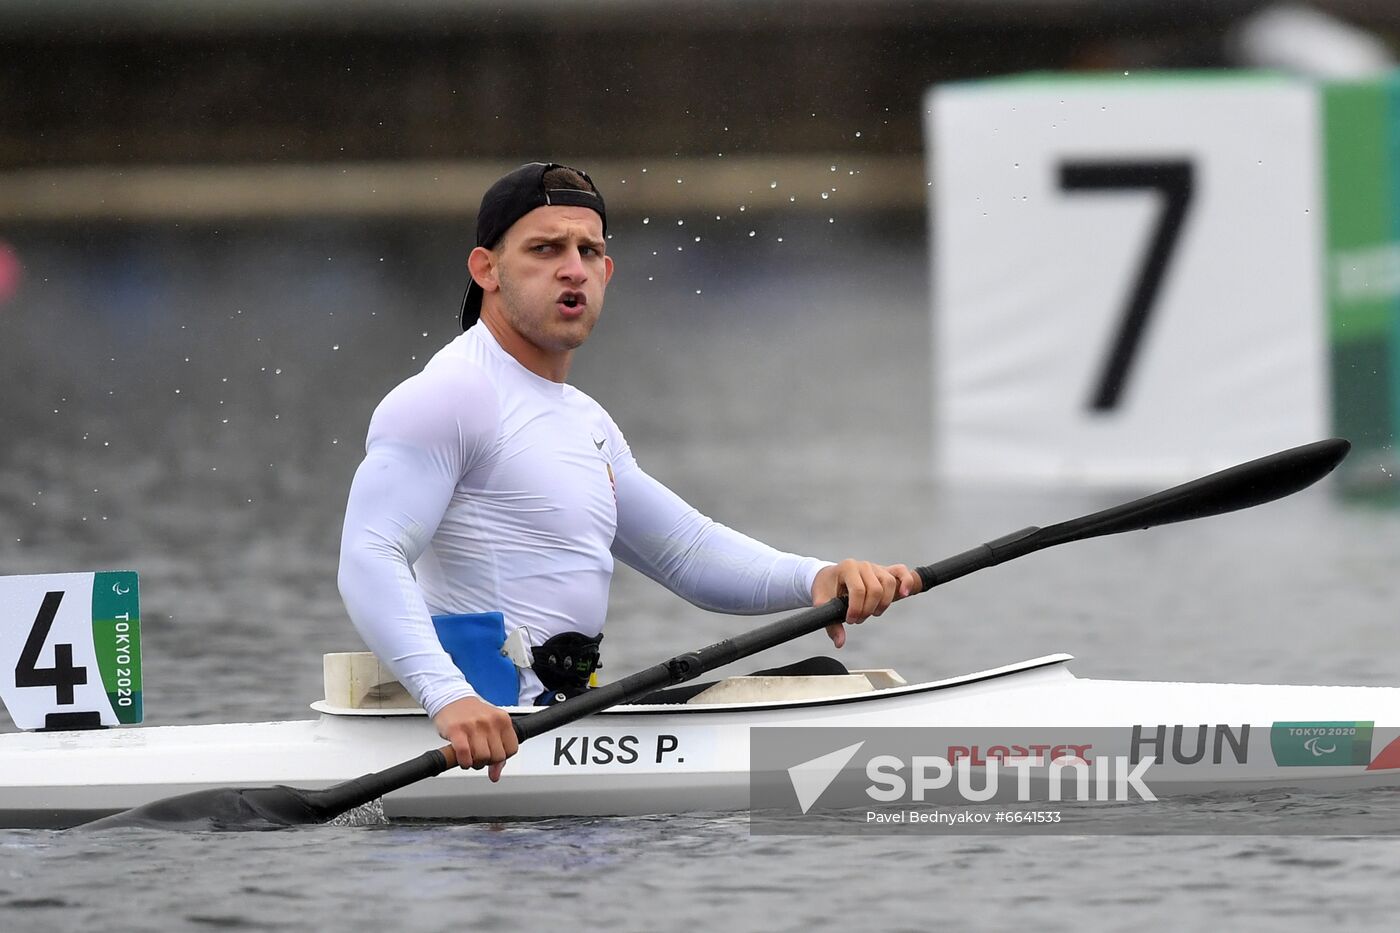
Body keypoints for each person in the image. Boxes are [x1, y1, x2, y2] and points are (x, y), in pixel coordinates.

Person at [338, 161, 921, 782]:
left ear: (606, 273)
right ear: (486, 270)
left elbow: (686, 553)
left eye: (589, 251)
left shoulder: (585, 421)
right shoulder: (449, 396)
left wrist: (819, 580)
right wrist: (448, 699)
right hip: (486, 736)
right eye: (545, 249)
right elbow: (370, 554)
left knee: (824, 683)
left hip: (559, 724)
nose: (573, 268)